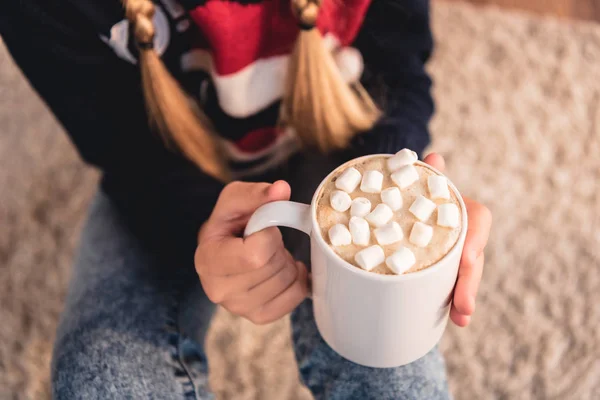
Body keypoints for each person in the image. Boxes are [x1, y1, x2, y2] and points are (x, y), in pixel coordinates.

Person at [2, 0, 492, 398]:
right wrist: (199, 229)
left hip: (339, 137)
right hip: (166, 166)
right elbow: (122, 145)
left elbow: (397, 67)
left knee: (394, 376)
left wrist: (392, 187)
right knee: (99, 374)